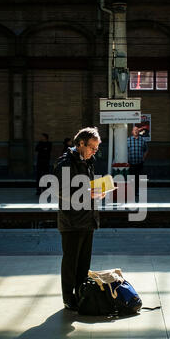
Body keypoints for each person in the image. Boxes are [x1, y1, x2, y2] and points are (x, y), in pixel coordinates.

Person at [53, 127, 104, 311]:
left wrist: (97, 191)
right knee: (71, 262)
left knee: (83, 263)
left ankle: (81, 293)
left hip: (87, 220)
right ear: (81, 143)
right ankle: (68, 298)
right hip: (72, 222)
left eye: (97, 148)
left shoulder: (87, 161)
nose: (94, 151)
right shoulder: (65, 163)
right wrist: (88, 193)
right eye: (92, 147)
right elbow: (60, 191)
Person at [127, 126, 149, 197]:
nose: (136, 131)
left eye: (137, 130)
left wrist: (143, 158)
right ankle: (131, 192)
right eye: (134, 130)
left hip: (139, 163)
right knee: (131, 178)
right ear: (132, 132)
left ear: (139, 132)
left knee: (138, 178)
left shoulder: (142, 140)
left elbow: (146, 150)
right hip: (130, 163)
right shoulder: (128, 140)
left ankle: (136, 192)